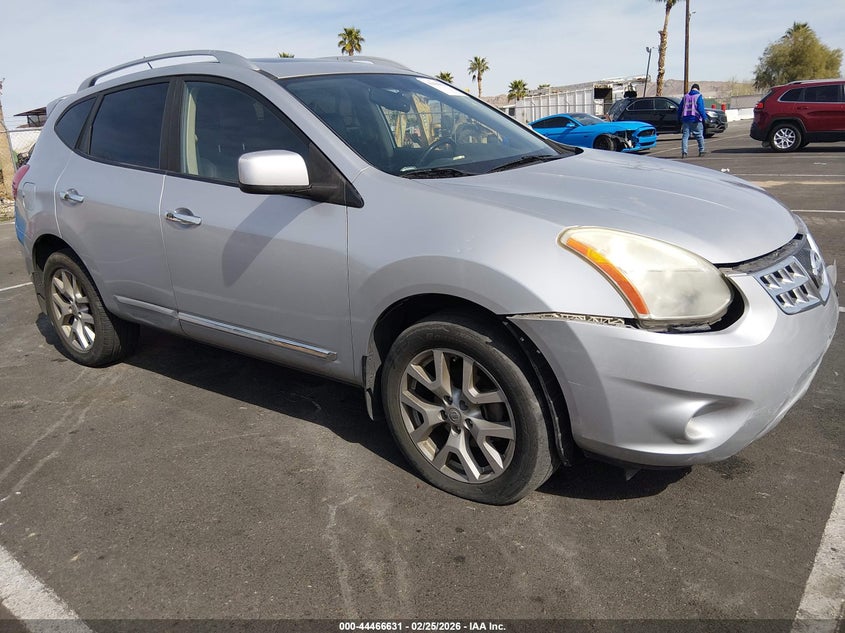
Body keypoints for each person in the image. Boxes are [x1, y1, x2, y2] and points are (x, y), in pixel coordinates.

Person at [679, 83, 707, 158]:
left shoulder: (685, 97)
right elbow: (700, 108)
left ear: (691, 89)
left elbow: (680, 108)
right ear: (698, 89)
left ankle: (684, 152)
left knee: (685, 136)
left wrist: (679, 117)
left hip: (685, 119)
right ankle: (701, 151)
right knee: (699, 136)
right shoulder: (698, 96)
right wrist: (704, 117)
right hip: (696, 119)